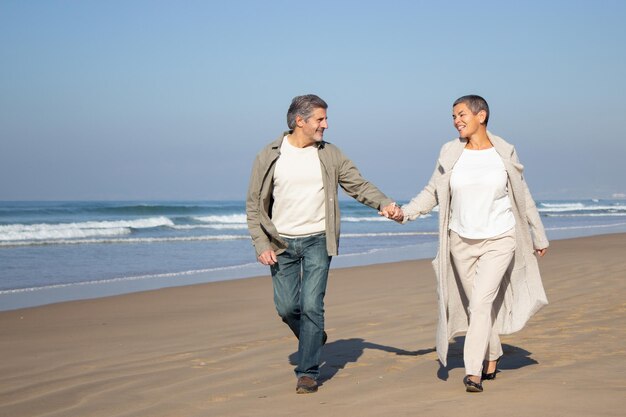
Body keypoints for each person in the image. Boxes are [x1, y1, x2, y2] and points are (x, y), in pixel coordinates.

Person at [386, 95, 548, 393]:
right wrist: (405, 214)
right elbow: (432, 191)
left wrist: (539, 235)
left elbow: (523, 197)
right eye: (453, 116)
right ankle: (494, 353)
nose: (456, 120)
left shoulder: (503, 151)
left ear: (481, 115)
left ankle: (473, 371)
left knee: (481, 302)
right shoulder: (450, 152)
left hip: (500, 238)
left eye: (461, 114)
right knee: (477, 308)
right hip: (460, 241)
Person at [246, 94, 400, 394]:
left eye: (325, 119)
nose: (326, 125)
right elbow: (254, 205)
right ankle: (314, 336)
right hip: (281, 244)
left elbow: (358, 184)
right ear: (299, 121)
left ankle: (307, 372)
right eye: (320, 119)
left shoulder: (330, 154)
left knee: (313, 305)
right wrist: (260, 243)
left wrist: (384, 204)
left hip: (318, 239)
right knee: (288, 307)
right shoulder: (269, 154)